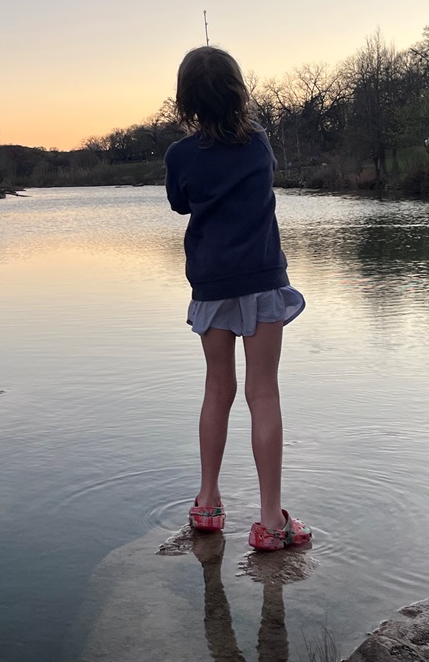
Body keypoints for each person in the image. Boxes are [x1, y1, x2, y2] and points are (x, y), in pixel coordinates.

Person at [164, 46, 311, 552]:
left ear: (186, 101)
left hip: (211, 283)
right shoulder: (259, 145)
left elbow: (180, 201)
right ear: (237, 91)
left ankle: (208, 503)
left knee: (216, 391)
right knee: (263, 393)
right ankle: (271, 521)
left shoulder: (179, 155)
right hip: (263, 278)